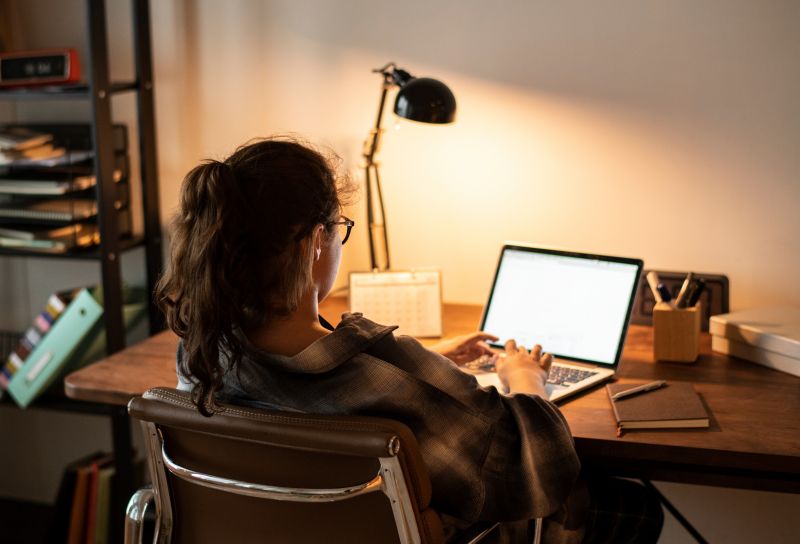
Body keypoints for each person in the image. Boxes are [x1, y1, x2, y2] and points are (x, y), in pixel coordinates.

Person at [156, 137, 663, 543]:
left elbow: (314, 392)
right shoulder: (386, 373)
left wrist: (428, 364)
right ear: (315, 243)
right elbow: (535, 465)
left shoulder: (202, 354)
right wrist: (525, 378)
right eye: (339, 228)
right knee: (631, 508)